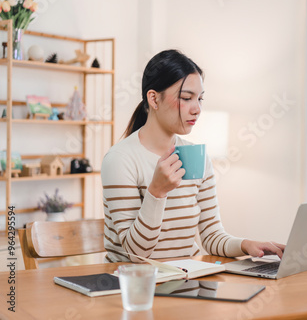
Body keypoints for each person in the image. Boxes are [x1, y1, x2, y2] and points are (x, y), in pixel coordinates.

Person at [101, 49, 285, 263]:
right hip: (136, 285)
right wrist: (156, 192)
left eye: (200, 99)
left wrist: (246, 245)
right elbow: (136, 254)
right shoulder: (120, 160)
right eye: (187, 98)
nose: (197, 109)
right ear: (153, 98)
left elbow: (212, 236)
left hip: (188, 280)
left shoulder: (196, 155)